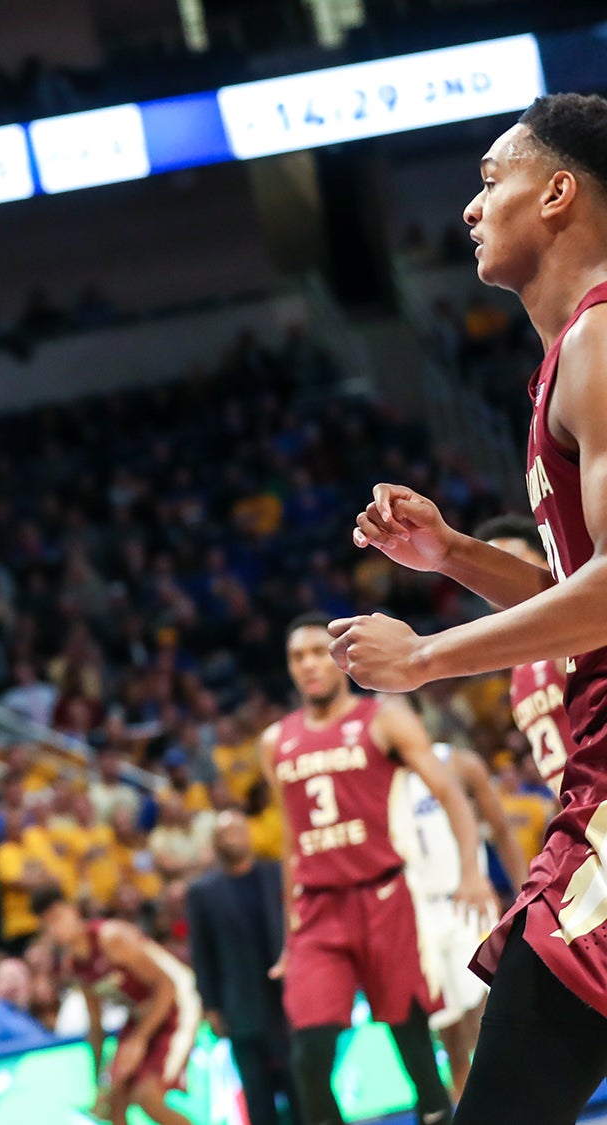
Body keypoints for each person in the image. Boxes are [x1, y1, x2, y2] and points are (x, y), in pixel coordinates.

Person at [333, 93, 607, 1124]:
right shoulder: (567, 356)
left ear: (556, 192)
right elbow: (577, 593)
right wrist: (450, 554)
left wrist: (422, 660)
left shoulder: (598, 339)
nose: (466, 207)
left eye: (490, 179)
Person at [262, 615, 496, 1125]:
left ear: (340, 658)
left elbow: (451, 793)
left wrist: (471, 874)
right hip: (319, 910)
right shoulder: (275, 740)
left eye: (316, 653)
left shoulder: (383, 718)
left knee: (413, 1043)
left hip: (386, 898)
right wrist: (289, 932)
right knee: (309, 1054)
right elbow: (290, 841)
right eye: (296, 657)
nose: (307, 665)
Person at [388, 731, 530, 1101]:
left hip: (467, 900)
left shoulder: (459, 764)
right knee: (450, 1037)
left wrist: (526, 897)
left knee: (488, 1018)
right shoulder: (379, 776)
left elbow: (501, 830)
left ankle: (515, 1107)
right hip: (418, 914)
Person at [40, 892, 198, 1125]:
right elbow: (96, 1026)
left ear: (74, 911)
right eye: (47, 925)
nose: (55, 929)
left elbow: (167, 986)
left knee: (147, 1097)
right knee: (113, 1096)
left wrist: (139, 1039)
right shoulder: (75, 965)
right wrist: (97, 1083)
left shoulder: (111, 937)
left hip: (178, 1004)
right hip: (142, 1015)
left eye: (57, 918)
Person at [186, 811, 292, 1125]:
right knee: (256, 1090)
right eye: (224, 832)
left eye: (237, 828)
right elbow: (201, 953)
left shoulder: (277, 874)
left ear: (249, 834)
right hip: (240, 1002)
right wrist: (211, 1006)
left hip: (286, 996)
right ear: (215, 843)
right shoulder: (203, 891)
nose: (232, 836)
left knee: (301, 1081)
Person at [475, 514, 577, 795]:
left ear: (547, 562)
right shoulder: (520, 662)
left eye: (508, 560)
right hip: (587, 815)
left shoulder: (576, 627)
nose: (495, 575)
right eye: (486, 567)